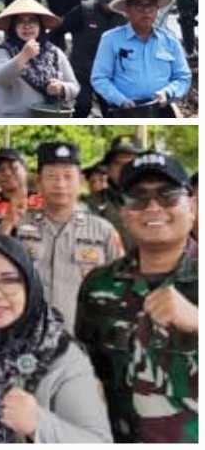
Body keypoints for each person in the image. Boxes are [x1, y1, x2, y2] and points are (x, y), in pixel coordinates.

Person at [76, 151, 198, 442]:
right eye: (138, 198)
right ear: (124, 212)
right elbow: (86, 373)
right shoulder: (98, 285)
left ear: (192, 206)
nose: (153, 207)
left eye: (168, 195)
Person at [0, 235, 112, 443]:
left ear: (29, 286)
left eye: (9, 280)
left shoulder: (58, 354)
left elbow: (98, 442)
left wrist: (39, 424)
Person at [10, 142, 123, 324]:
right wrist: (7, 225)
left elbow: (121, 286)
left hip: (81, 335)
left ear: (80, 181)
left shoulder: (103, 232)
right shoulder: (18, 226)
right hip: (28, 334)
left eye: (68, 176)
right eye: (52, 176)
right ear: (38, 182)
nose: (60, 184)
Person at [91, 0, 192, 116]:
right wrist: (120, 100)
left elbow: (183, 77)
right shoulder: (111, 39)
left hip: (161, 108)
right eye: (139, 7)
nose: (146, 12)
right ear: (127, 10)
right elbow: (99, 78)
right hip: (125, 109)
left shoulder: (170, 40)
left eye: (150, 7)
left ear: (157, 9)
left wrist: (167, 92)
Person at [0, 0, 79, 117]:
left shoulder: (54, 52)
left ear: (40, 26)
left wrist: (61, 87)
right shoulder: (2, 52)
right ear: (13, 27)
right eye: (20, 22)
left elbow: (74, 86)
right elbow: (0, 78)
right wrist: (23, 56)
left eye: (32, 21)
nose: (27, 26)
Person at [51, 0, 127, 116]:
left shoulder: (125, 17)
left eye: (110, 1)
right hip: (82, 71)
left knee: (112, 111)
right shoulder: (83, 10)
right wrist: (58, 57)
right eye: (103, 0)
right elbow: (57, 31)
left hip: (110, 75)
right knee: (82, 106)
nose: (106, 5)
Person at [86, 137, 141, 245]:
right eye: (118, 164)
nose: (124, 169)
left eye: (131, 163)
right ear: (108, 169)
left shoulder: (159, 200)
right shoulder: (92, 204)